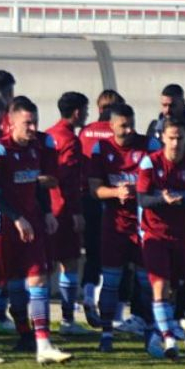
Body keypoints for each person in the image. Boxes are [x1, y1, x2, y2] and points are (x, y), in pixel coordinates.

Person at [0, 97, 72, 365]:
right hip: (1, 228)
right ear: (11, 122)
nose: (33, 127)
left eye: (35, 122)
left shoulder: (36, 148)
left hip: (31, 224)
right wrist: (16, 218)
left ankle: (43, 345)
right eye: (28, 123)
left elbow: (36, 185)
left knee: (39, 281)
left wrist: (47, 212)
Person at [87, 102, 159, 353]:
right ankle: (106, 334)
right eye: (123, 126)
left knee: (146, 282)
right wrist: (115, 192)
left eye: (131, 125)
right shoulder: (102, 148)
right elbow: (94, 189)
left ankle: (151, 333)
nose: (129, 130)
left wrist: (138, 190)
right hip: (114, 225)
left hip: (144, 224)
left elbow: (159, 182)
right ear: (111, 126)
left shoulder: (149, 146)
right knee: (111, 281)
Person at [137, 119, 185, 361]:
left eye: (180, 138)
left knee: (174, 287)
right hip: (153, 233)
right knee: (160, 285)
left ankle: (156, 333)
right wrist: (162, 200)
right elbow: (143, 200)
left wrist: (183, 201)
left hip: (181, 235)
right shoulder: (150, 162)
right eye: (171, 138)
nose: (176, 143)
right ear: (163, 138)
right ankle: (169, 339)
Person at [44, 91, 92, 336]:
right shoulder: (71, 140)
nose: (87, 114)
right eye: (85, 110)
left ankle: (40, 319)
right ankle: (67, 320)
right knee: (69, 262)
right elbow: (68, 180)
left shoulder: (48, 135)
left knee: (46, 265)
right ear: (77, 112)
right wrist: (76, 212)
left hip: (45, 208)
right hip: (62, 210)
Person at [78, 89, 125, 328]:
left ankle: (88, 295)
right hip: (112, 198)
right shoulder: (117, 131)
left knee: (93, 252)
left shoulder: (86, 131)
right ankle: (115, 312)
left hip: (87, 198)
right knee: (119, 256)